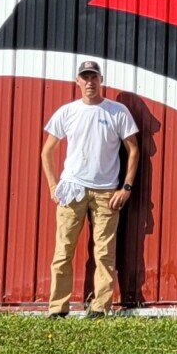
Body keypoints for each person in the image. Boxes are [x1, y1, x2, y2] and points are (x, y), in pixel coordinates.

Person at [40, 58, 140, 317]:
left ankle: (100, 308)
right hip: (72, 188)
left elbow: (134, 149)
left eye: (93, 77)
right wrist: (53, 184)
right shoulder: (67, 112)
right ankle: (57, 309)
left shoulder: (117, 112)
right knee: (63, 250)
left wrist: (126, 187)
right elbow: (47, 151)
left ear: (101, 80)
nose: (89, 82)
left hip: (107, 192)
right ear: (77, 81)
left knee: (104, 252)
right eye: (84, 77)